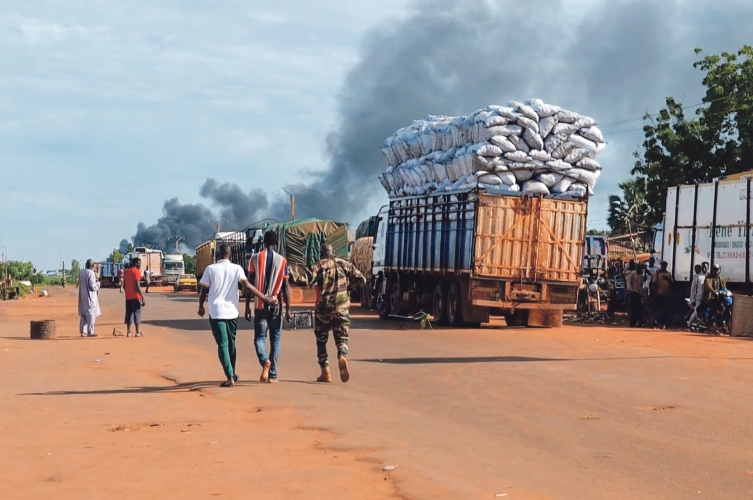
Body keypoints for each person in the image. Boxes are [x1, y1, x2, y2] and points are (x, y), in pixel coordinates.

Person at [199, 244, 272, 387]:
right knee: (231, 344)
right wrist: (263, 297)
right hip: (232, 313)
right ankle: (232, 372)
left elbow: (203, 290)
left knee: (223, 345)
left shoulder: (210, 269)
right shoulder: (237, 268)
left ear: (218, 255)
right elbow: (248, 286)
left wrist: (200, 306)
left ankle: (230, 376)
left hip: (217, 312)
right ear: (230, 254)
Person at [304, 244, 366, 383]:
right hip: (342, 308)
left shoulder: (319, 265)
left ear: (321, 254)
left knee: (321, 340)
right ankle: (342, 355)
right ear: (334, 252)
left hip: (324, 310)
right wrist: (348, 289)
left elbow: (306, 279)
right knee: (342, 338)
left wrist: (291, 275)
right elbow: (362, 280)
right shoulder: (345, 264)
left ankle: (325, 371)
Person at [245, 231, 292, 384]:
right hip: (276, 305)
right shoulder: (283, 261)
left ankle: (265, 360)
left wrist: (246, 306)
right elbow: (286, 286)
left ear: (263, 242)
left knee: (259, 338)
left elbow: (249, 284)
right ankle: (273, 375)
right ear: (276, 243)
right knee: (276, 340)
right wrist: (288, 309)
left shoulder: (254, 258)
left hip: (260, 304)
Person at [77, 260, 101, 337]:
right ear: (93, 266)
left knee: (83, 314)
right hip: (90, 297)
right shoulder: (91, 273)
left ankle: (83, 331)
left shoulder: (81, 272)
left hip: (82, 296)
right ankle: (90, 331)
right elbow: (92, 286)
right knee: (91, 314)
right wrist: (98, 283)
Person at [123, 257, 146, 337]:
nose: (140, 265)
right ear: (136, 263)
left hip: (128, 297)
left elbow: (124, 286)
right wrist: (142, 296)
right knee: (137, 313)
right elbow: (137, 285)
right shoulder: (136, 271)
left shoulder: (126, 272)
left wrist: (128, 292)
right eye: (140, 263)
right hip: (136, 296)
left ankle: (129, 332)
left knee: (129, 313)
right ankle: (137, 332)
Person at [625, 260, 644, 328]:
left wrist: (642, 293)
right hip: (633, 293)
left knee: (639, 308)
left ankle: (639, 322)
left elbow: (641, 284)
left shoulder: (640, 275)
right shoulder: (632, 274)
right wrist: (630, 290)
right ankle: (632, 323)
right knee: (634, 308)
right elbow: (629, 282)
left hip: (639, 293)